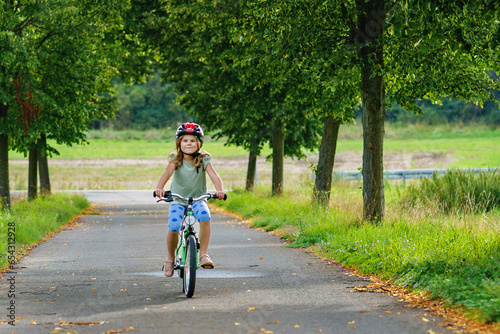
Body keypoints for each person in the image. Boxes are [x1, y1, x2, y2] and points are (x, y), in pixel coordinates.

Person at [155, 122, 224, 277]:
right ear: (179, 143)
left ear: (199, 143)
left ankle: (204, 255)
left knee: (205, 217)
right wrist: (160, 188)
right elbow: (167, 174)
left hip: (198, 199)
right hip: (178, 200)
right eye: (185, 140)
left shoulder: (203, 159)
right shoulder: (175, 159)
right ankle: (170, 259)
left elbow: (214, 175)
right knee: (174, 227)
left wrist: (219, 191)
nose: (189, 144)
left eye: (192, 140)